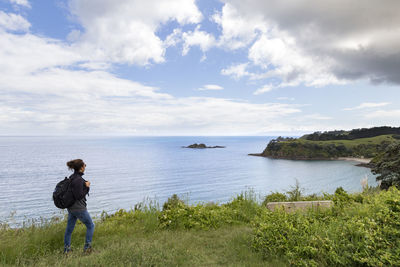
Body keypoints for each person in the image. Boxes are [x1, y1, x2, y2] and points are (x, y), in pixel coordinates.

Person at [63, 159, 94, 254]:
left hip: (71, 208)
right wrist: (87, 187)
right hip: (79, 208)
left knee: (69, 230)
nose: (85, 166)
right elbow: (79, 196)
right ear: (81, 167)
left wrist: (84, 185)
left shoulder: (72, 177)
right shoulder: (78, 180)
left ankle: (67, 250)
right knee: (91, 226)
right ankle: (87, 249)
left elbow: (75, 192)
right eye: (84, 165)